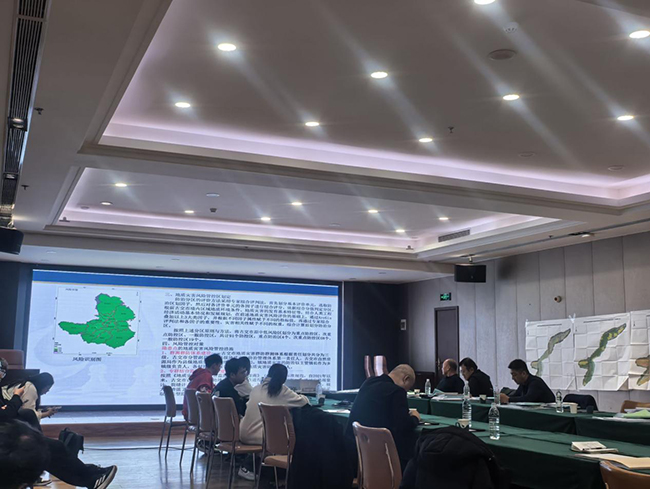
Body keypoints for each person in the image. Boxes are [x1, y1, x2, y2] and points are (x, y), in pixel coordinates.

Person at [238, 364, 309, 481]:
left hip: (243, 434)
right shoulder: (283, 391)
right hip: (262, 438)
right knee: (295, 437)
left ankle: (253, 467)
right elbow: (303, 402)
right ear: (284, 378)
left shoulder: (256, 389)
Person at [346, 364, 419, 468]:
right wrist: (415, 418)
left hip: (354, 450)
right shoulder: (397, 391)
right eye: (408, 388)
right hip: (381, 457)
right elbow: (403, 425)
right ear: (405, 379)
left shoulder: (369, 382)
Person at [182, 353, 222, 420]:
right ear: (214, 366)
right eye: (219, 366)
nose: (219, 369)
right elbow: (205, 397)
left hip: (190, 412)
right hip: (197, 414)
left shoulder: (200, 374)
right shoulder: (206, 376)